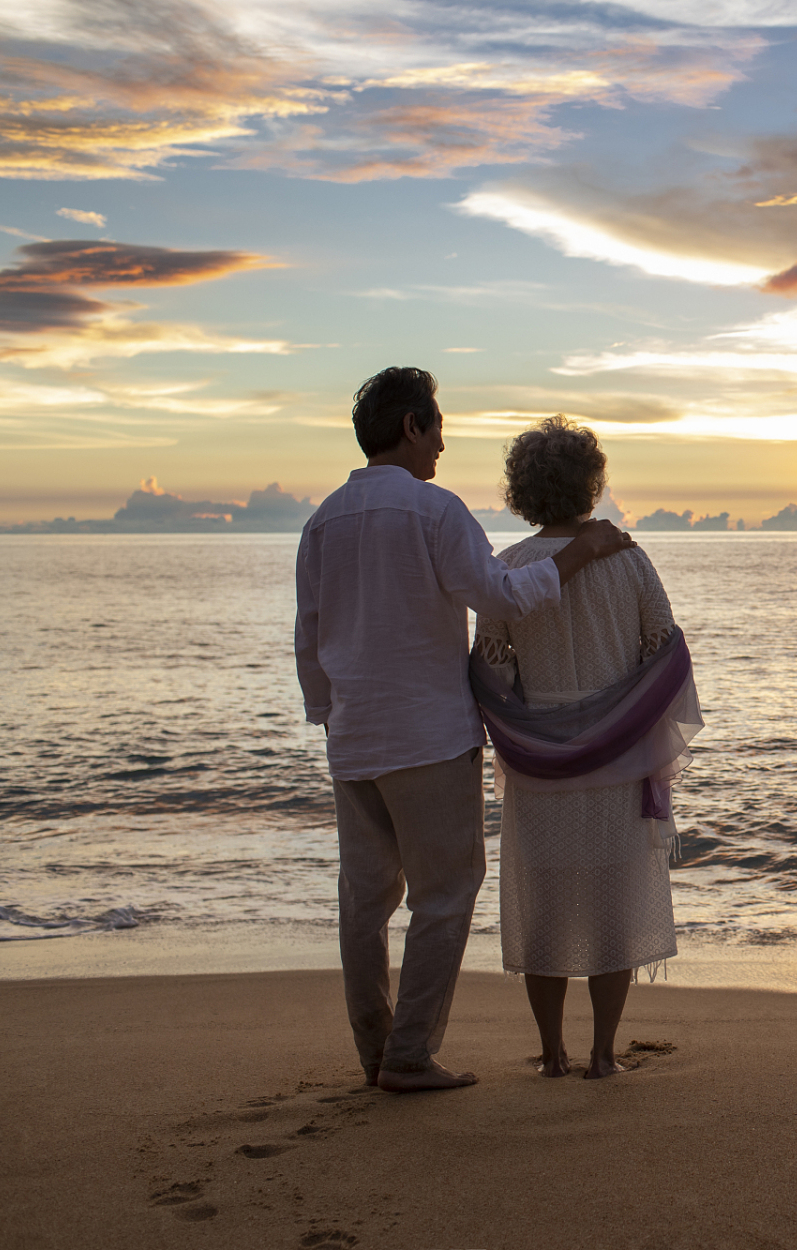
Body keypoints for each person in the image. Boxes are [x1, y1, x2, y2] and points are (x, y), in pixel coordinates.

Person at [294, 368, 635, 1094]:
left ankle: (374, 1050)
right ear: (413, 426)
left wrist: (327, 716)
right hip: (427, 735)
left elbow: (309, 634)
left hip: (353, 738)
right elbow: (500, 595)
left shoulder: (323, 519)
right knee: (445, 894)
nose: (443, 445)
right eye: (438, 426)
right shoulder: (433, 511)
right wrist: (582, 551)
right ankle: (410, 1055)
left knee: (365, 900)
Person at [472, 415, 695, 1079]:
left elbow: (491, 668)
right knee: (612, 909)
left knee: (542, 907)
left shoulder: (507, 569)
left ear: (522, 489)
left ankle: (552, 1054)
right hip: (619, 761)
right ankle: (602, 1054)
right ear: (591, 484)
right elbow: (665, 647)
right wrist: (620, 703)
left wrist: (535, 713)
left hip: (538, 765)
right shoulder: (627, 559)